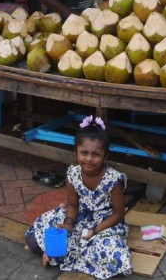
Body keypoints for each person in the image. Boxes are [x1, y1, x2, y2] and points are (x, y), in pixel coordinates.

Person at [25, 115, 132, 278]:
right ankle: (63, 254)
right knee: (34, 240)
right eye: (84, 153)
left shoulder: (113, 180)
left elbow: (118, 213)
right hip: (79, 217)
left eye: (96, 154)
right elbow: (73, 206)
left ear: (105, 156)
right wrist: (68, 226)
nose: (89, 159)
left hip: (105, 224)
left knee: (116, 259)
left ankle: (67, 256)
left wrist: (94, 231)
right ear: (75, 153)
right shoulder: (73, 174)